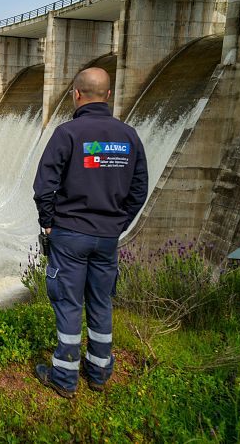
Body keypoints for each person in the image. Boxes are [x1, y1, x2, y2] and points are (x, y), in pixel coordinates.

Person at [32, 67, 148, 398]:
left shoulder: (67, 134)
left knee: (69, 305)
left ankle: (65, 380)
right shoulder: (129, 136)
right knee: (100, 302)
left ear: (76, 94)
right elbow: (139, 189)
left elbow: (44, 187)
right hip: (107, 237)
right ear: (108, 96)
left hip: (69, 235)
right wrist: (117, 224)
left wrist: (48, 221)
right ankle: (98, 373)